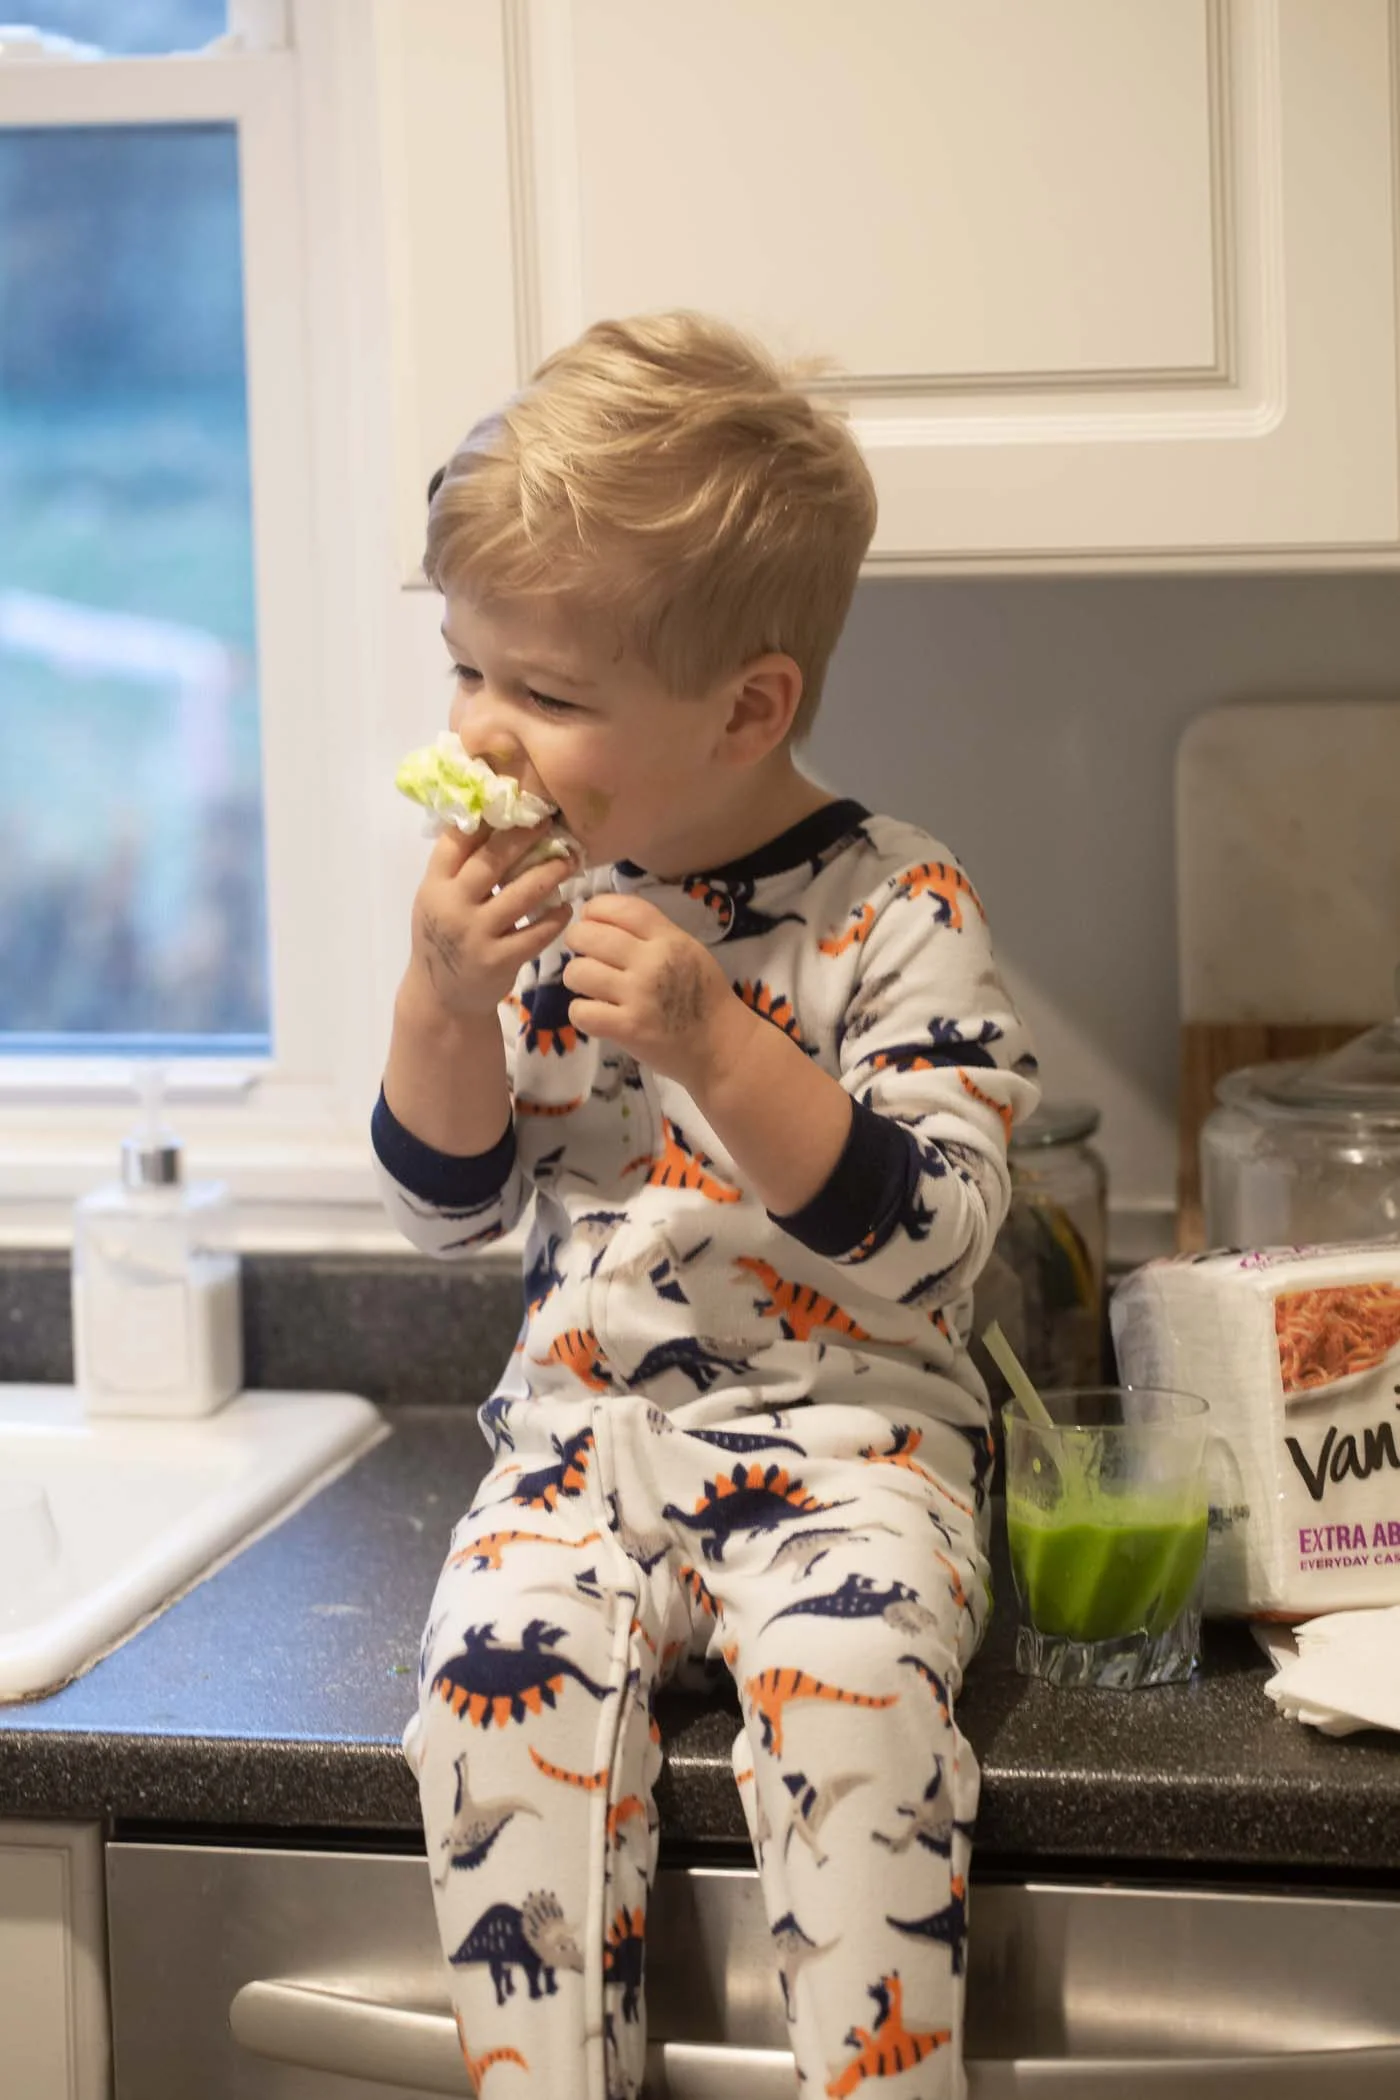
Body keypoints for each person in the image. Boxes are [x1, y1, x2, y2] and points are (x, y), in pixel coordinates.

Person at [373, 311, 1039, 2100]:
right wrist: (441, 995)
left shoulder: (897, 908)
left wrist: (714, 1039)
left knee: (860, 1696)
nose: (483, 734)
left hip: (848, 1455)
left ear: (750, 707)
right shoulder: (529, 896)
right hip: (576, 1450)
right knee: (482, 1725)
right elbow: (447, 1207)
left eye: (547, 695)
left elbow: (935, 1241)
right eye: (467, 672)